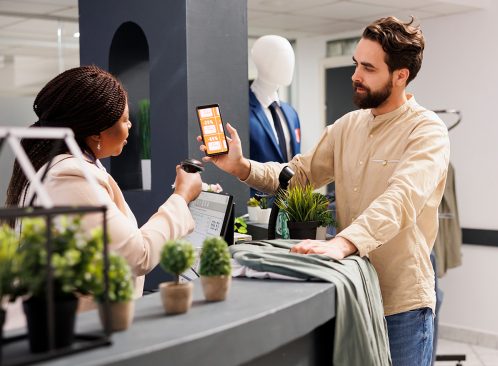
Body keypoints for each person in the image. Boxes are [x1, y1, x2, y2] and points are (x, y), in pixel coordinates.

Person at [200, 17, 449, 366]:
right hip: (354, 294)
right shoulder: (348, 126)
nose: (355, 75)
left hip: (401, 304)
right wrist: (241, 166)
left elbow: (402, 198)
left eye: (368, 67)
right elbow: (298, 174)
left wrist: (342, 242)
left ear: (400, 75)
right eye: (355, 64)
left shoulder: (427, 132)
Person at [5, 65, 202, 298]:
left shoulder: (65, 166)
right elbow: (139, 255)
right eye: (125, 119)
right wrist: (181, 197)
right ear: (97, 132)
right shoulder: (69, 176)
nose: (130, 126)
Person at [249, 35, 301, 164]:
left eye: (291, 58)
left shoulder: (291, 113)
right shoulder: (241, 111)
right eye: (282, 58)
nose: (289, 65)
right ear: (262, 61)